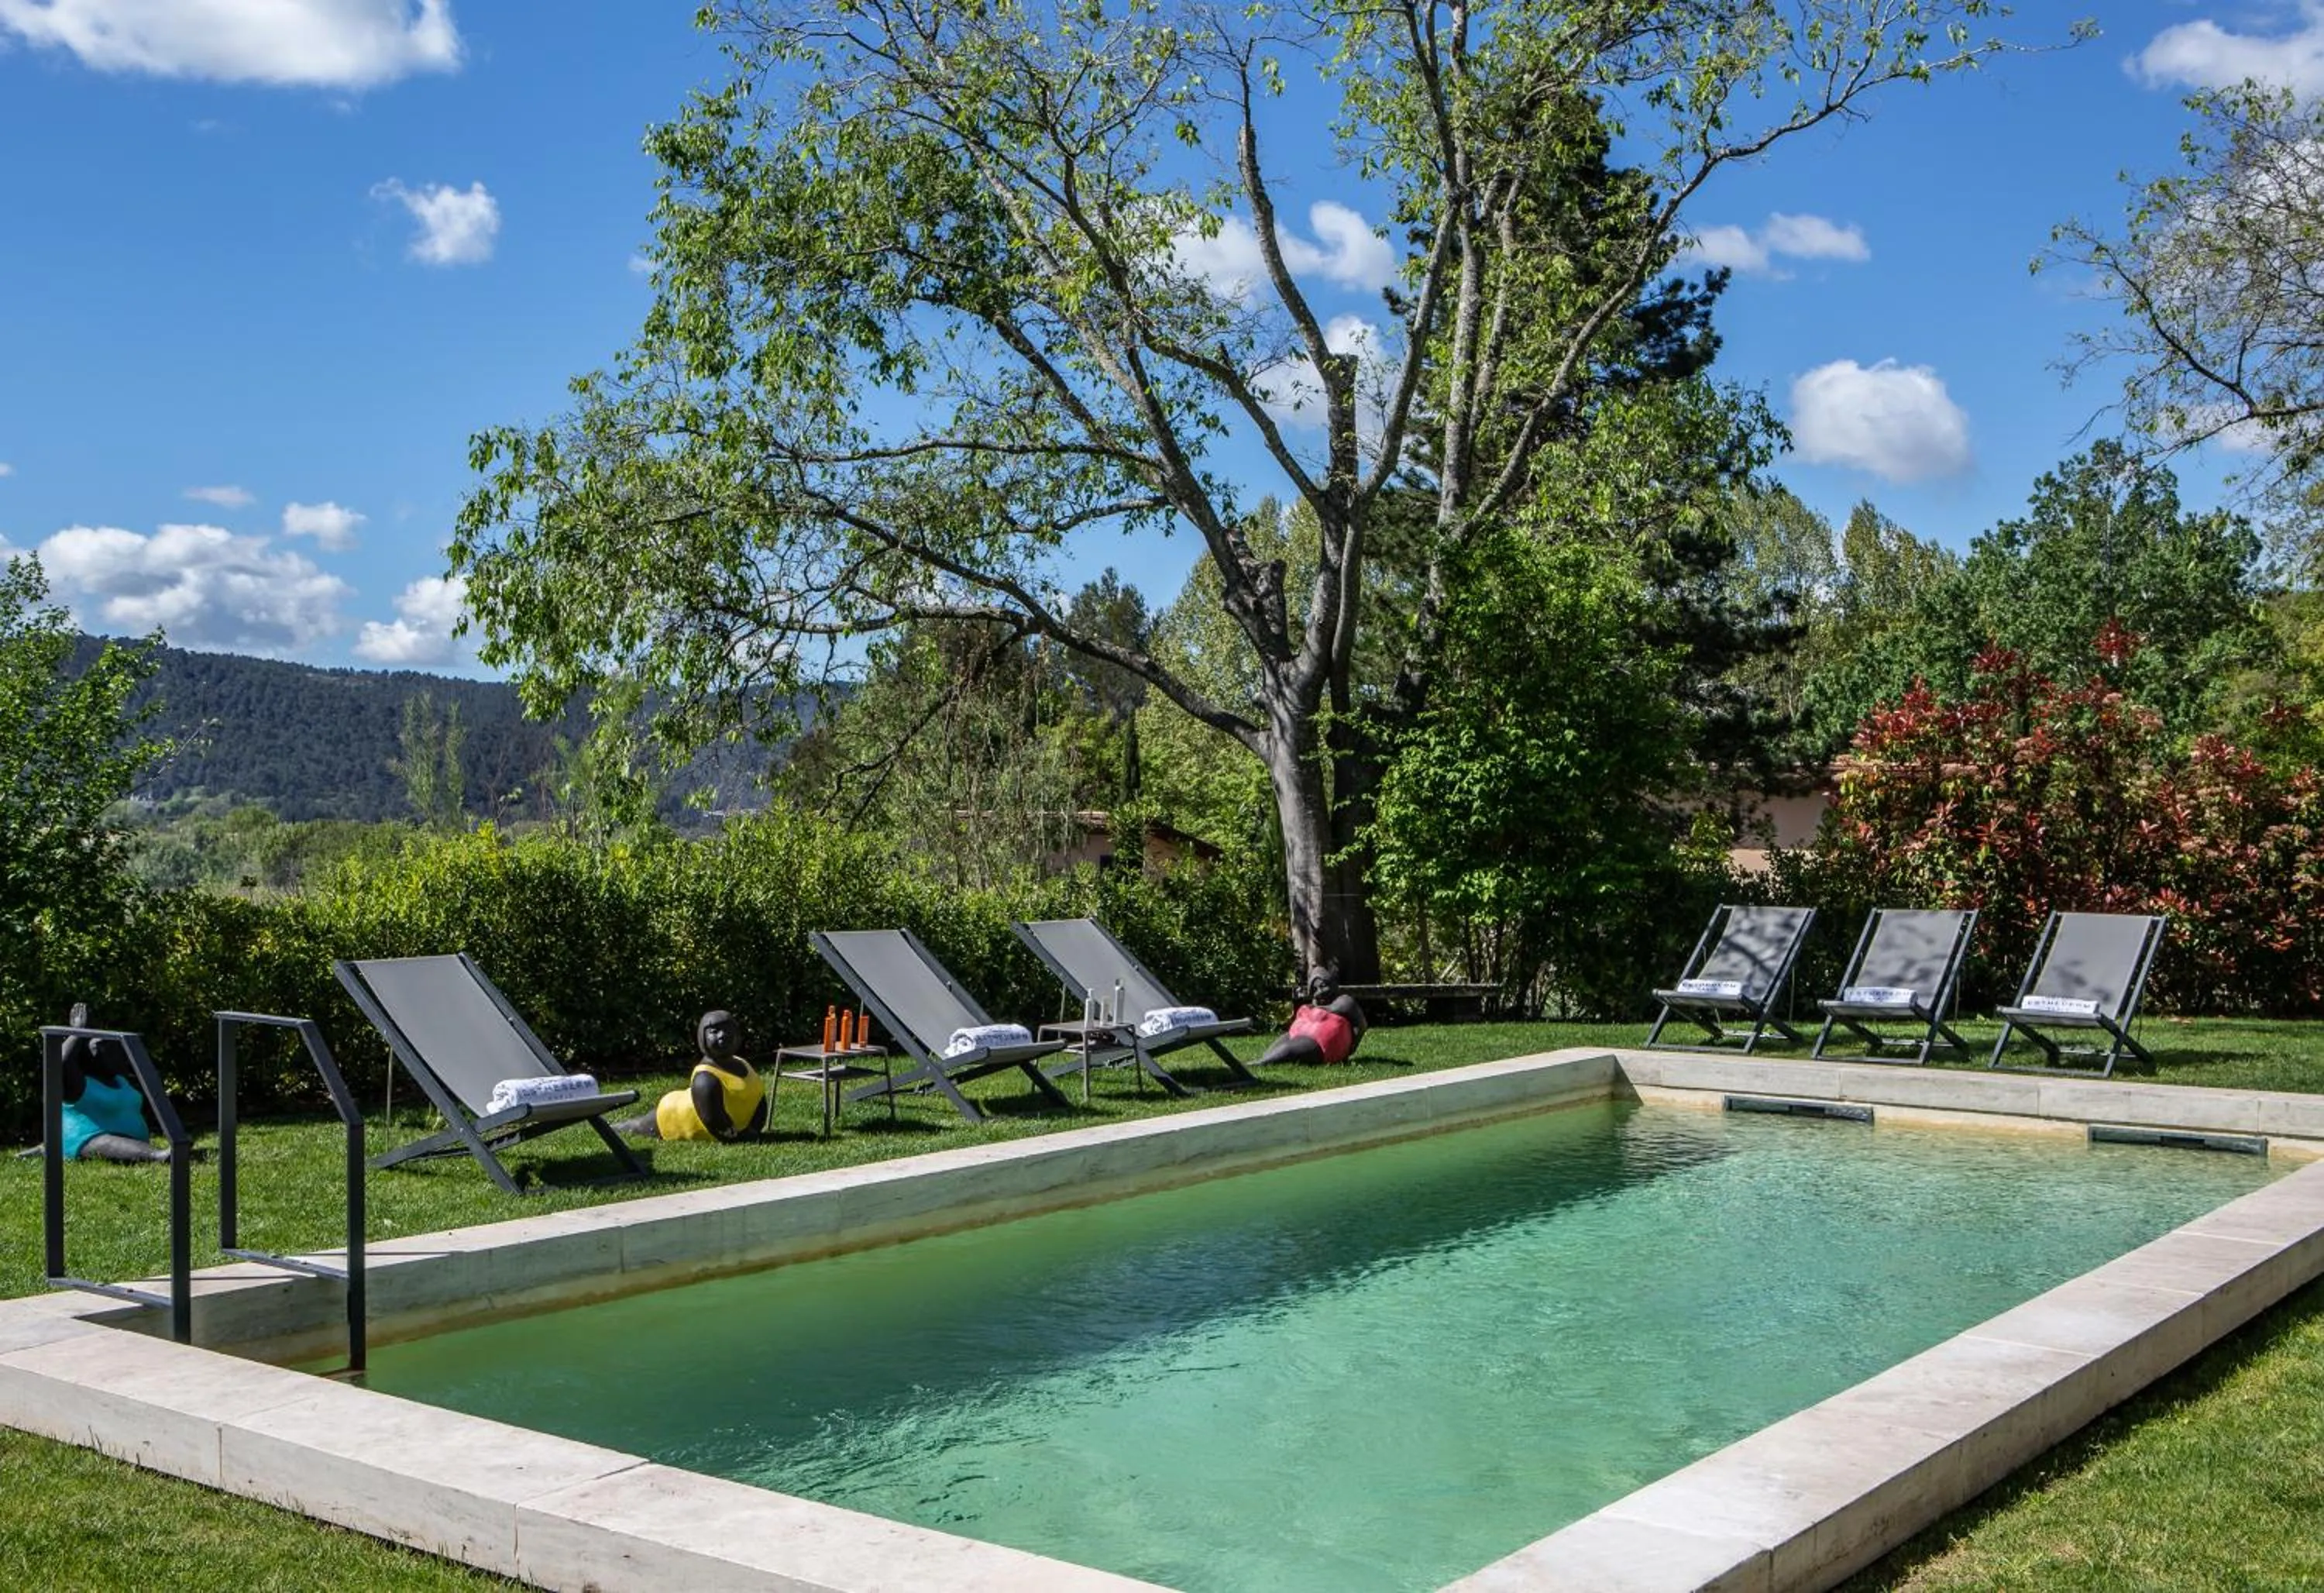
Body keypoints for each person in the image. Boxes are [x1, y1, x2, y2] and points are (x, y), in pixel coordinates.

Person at [619, 1010, 767, 1141]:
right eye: (714, 1031)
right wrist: (735, 1136)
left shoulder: (743, 1063)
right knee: (635, 1126)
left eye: (728, 1030)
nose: (723, 1035)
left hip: (679, 1103)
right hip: (672, 1116)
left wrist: (753, 1128)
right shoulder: (706, 1078)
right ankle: (613, 1128)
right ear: (703, 1038)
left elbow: (758, 1096)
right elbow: (713, 1119)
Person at [57, 1004, 169, 1164]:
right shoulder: (80, 1085)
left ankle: (148, 1152)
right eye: (102, 1047)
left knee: (113, 1141)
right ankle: (156, 1156)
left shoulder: (121, 1081)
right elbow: (61, 1062)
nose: (114, 1052)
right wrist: (77, 1032)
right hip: (87, 1140)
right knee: (102, 1142)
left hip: (132, 1140)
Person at [1258, 966, 1368, 1066]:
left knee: (1288, 1049)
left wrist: (1351, 1047)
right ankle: (1265, 1059)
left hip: (1319, 1044)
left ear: (1332, 984)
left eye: (1323, 986)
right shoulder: (1311, 1005)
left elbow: (1361, 1025)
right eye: (1315, 989)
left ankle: (1261, 1063)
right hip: (1297, 1036)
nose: (1319, 992)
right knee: (1281, 1044)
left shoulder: (1344, 1002)